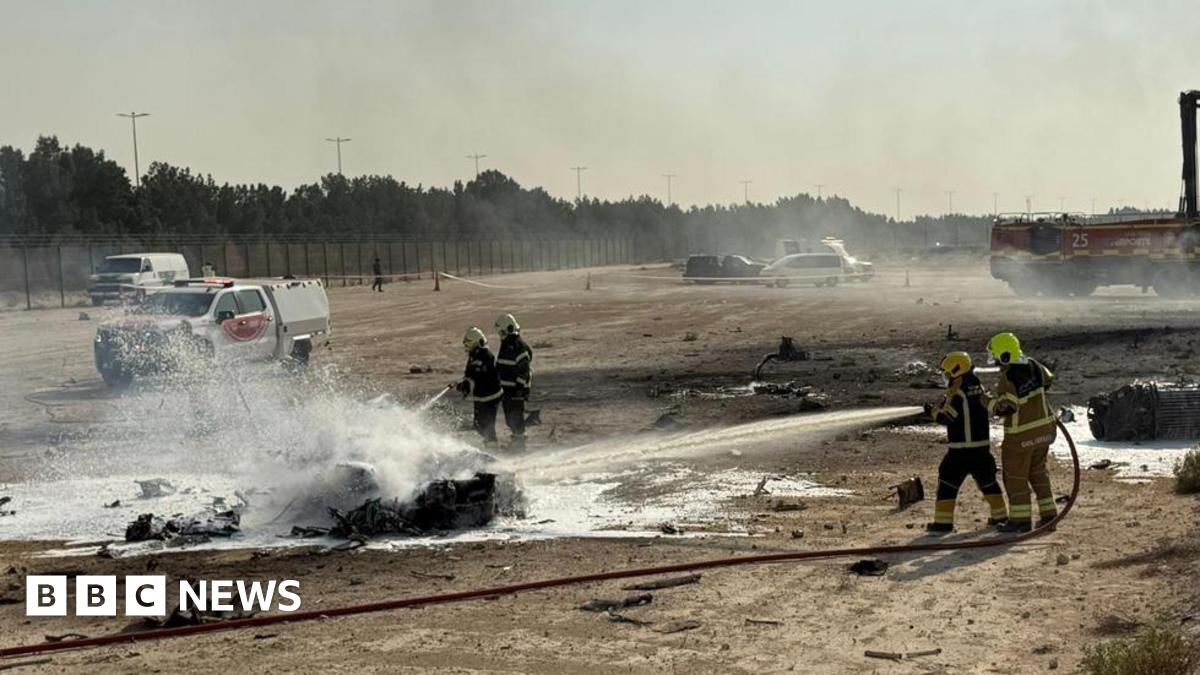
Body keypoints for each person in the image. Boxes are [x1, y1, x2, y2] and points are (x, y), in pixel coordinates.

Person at [923, 351, 1008, 534]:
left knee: (947, 482)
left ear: (955, 370)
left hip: (960, 450)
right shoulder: (977, 385)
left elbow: (947, 418)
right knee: (988, 482)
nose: (945, 377)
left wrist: (932, 412)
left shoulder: (958, 391)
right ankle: (1000, 516)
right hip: (982, 449)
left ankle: (943, 523)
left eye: (947, 373)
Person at [987, 332, 1058, 533]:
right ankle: (1049, 516)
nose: (995, 361)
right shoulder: (1034, 365)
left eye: (996, 356)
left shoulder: (1008, 377)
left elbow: (1006, 408)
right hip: (1045, 432)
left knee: (1015, 477)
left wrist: (987, 401)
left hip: (1021, 438)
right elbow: (1048, 380)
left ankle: (1020, 520)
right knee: (1038, 474)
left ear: (1004, 355)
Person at [456, 327, 502, 445]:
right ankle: (490, 442)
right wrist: (464, 383)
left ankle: (493, 445)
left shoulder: (487, 356)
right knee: (479, 424)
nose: (466, 347)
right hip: (480, 396)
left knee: (487, 424)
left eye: (468, 343)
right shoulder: (473, 356)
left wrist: (470, 381)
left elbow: (480, 374)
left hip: (490, 397)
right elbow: (469, 372)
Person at [494, 313, 533, 451]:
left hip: (515, 391)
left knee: (515, 418)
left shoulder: (517, 345)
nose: (500, 334)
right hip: (507, 390)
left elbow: (524, 369)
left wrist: (519, 388)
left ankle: (519, 446)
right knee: (510, 419)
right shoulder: (506, 344)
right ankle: (517, 442)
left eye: (501, 331)